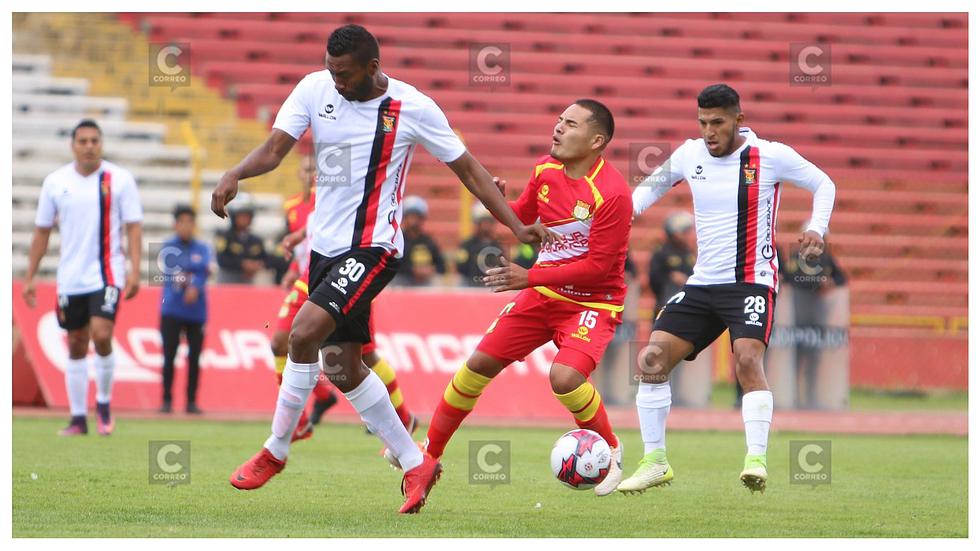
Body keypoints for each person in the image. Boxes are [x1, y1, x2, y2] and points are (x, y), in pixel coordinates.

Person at [210, 24, 550, 514]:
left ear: (373, 68)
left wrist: (517, 227)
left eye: (345, 75)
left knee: (301, 335)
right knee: (342, 366)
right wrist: (234, 172)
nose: (337, 83)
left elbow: (470, 170)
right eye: (331, 71)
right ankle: (416, 464)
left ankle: (275, 450)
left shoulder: (413, 108)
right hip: (324, 251)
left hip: (375, 247)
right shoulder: (313, 88)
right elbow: (274, 149)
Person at [622, 83, 836, 495]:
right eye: (702, 122)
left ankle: (755, 459)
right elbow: (645, 191)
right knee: (651, 359)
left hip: (752, 280)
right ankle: (655, 461)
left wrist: (815, 227)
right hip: (704, 283)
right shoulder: (689, 153)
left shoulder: (770, 155)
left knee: (746, 359)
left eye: (717, 122)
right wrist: (619, 216)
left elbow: (824, 183)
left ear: (739, 119)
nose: (708, 131)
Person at [419, 99, 631, 497]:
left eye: (570, 124)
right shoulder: (545, 170)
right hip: (543, 293)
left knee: (565, 378)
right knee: (477, 364)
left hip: (592, 303)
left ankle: (612, 449)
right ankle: (427, 455)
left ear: (597, 140)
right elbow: (519, 217)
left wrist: (530, 276)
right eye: (558, 120)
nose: (558, 128)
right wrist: (496, 201)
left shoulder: (613, 193)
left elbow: (600, 268)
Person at [22, 119, 143, 436]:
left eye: (94, 141)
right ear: (72, 145)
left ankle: (103, 405)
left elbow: (133, 226)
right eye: (83, 141)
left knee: (102, 335)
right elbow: (42, 231)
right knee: (75, 343)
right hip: (70, 277)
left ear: (101, 144)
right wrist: (31, 276)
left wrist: (134, 268)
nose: (89, 146)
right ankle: (78, 418)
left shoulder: (119, 179)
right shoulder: (55, 182)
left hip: (107, 273)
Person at [158, 204, 210, 414]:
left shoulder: (203, 247)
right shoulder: (166, 246)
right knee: (169, 355)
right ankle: (166, 400)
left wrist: (194, 285)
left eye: (190, 222)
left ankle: (191, 401)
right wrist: (192, 283)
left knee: (194, 358)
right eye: (182, 222)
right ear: (175, 224)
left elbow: (205, 270)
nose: (186, 227)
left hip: (196, 312)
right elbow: (169, 272)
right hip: (171, 310)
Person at [647, 211, 696, 317]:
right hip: (667, 304)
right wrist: (670, 278)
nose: (688, 235)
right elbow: (653, 278)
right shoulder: (662, 252)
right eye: (685, 232)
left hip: (688, 305)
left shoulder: (688, 252)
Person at [393, 196, 446, 286]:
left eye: (417, 216)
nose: (414, 220)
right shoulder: (396, 240)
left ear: (422, 219)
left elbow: (441, 266)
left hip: (425, 283)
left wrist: (431, 270)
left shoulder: (429, 242)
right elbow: (393, 264)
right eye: (411, 216)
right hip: (402, 282)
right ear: (404, 218)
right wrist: (413, 271)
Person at [215, 192, 266, 284]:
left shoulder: (256, 240)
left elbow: (266, 258)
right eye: (241, 215)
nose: (244, 218)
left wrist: (257, 265)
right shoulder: (224, 236)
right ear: (234, 216)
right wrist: (243, 264)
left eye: (247, 215)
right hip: (227, 284)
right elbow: (221, 259)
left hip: (248, 284)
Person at [456, 203, 503, 286]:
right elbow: (461, 267)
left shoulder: (497, 245)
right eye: (484, 222)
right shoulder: (467, 245)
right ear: (477, 223)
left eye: (490, 222)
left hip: (491, 284)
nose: (487, 226)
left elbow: (503, 265)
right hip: (471, 284)